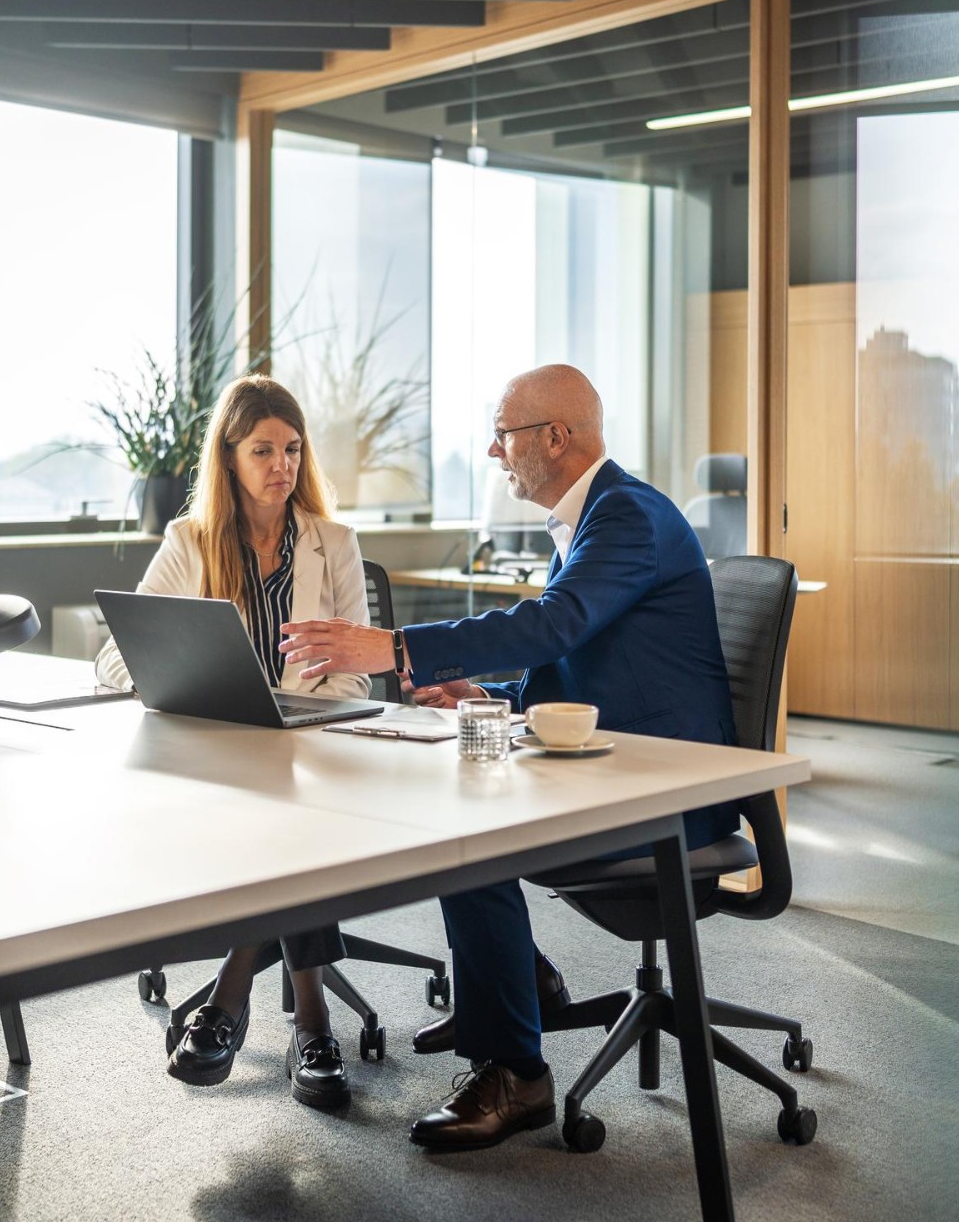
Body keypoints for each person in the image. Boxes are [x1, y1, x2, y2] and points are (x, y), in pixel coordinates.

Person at [279, 363, 737, 1149]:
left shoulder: (626, 516)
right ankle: (520, 982)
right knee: (451, 795)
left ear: (556, 438)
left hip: (671, 792)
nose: (495, 452)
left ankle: (516, 1070)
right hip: (618, 761)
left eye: (505, 434)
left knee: (473, 834)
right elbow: (578, 655)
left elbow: (556, 624)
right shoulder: (596, 518)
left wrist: (395, 646)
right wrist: (494, 704)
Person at [96, 373, 372, 1110]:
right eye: (262, 450)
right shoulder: (190, 542)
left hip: (311, 755)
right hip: (218, 757)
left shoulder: (335, 543)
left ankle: (232, 993)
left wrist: (295, 711)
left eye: (291, 448)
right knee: (291, 829)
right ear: (229, 456)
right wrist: (187, 680)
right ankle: (311, 1028)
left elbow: (356, 682)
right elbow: (116, 654)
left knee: (294, 819)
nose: (281, 464)